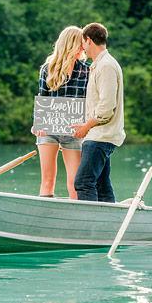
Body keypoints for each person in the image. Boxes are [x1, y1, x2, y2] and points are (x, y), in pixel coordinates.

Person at [31, 26, 89, 199]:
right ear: (72, 44)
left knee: (74, 183)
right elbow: (43, 97)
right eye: (81, 43)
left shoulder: (87, 70)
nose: (84, 47)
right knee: (47, 179)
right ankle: (45, 216)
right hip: (48, 130)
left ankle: (75, 218)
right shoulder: (47, 69)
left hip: (74, 131)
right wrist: (37, 123)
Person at [70, 22, 125, 203]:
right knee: (101, 185)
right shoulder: (98, 65)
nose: (82, 47)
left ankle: (89, 227)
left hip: (100, 136)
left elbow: (106, 107)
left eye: (83, 43)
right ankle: (109, 225)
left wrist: (86, 126)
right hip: (99, 136)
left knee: (83, 182)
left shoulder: (106, 66)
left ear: (89, 40)